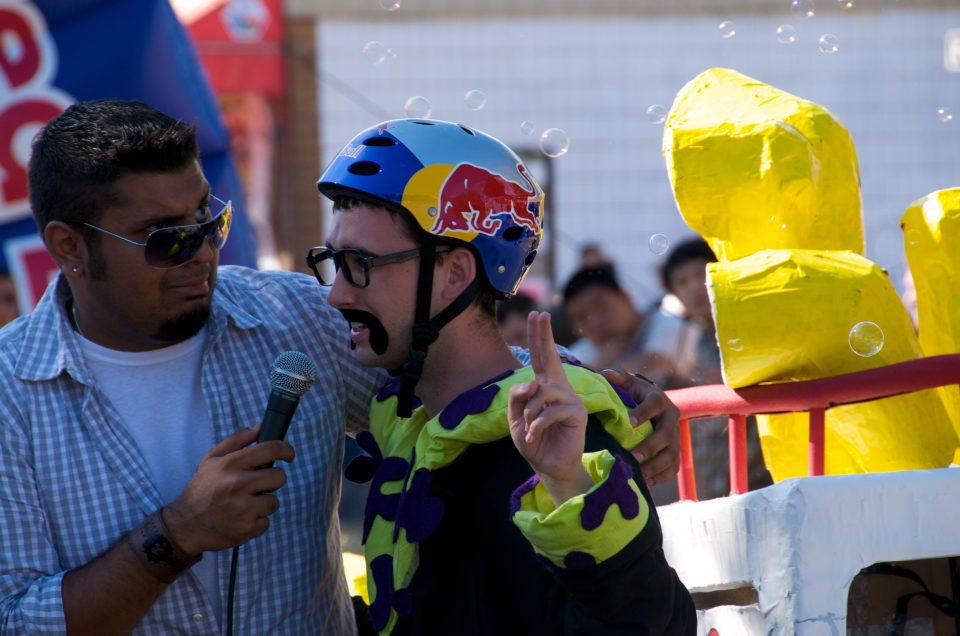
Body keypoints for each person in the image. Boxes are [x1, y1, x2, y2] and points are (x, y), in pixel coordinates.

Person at [0, 99, 681, 634]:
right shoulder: (11, 393)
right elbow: (16, 620)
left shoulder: (288, 317)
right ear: (69, 248)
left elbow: (467, 364)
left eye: (211, 223)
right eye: (169, 240)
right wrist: (176, 536)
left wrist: (617, 402)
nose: (203, 254)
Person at [311, 118, 695, 634]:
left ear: (455, 274)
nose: (336, 294)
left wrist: (572, 487)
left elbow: (646, 626)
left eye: (360, 263)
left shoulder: (561, 439)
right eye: (334, 261)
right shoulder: (412, 427)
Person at [562, 263, 686, 386]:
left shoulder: (666, 322)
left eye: (600, 306)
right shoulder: (582, 351)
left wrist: (597, 369)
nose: (595, 322)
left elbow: (655, 369)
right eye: (581, 318)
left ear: (625, 296)